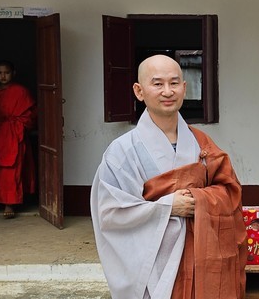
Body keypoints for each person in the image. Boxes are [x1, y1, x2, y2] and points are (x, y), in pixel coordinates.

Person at [91, 54, 247, 299]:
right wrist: (167, 207)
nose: (167, 91)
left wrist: (200, 200)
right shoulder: (122, 152)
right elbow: (111, 214)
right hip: (154, 267)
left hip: (199, 257)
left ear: (184, 88)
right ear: (139, 91)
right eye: (157, 83)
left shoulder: (202, 143)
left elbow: (230, 191)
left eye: (174, 83)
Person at [0, 60, 37, 219]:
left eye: (6, 72)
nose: (3, 76)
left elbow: (30, 116)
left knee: (12, 169)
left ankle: (9, 203)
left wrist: (18, 126)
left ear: (13, 73)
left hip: (14, 135)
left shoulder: (21, 91)